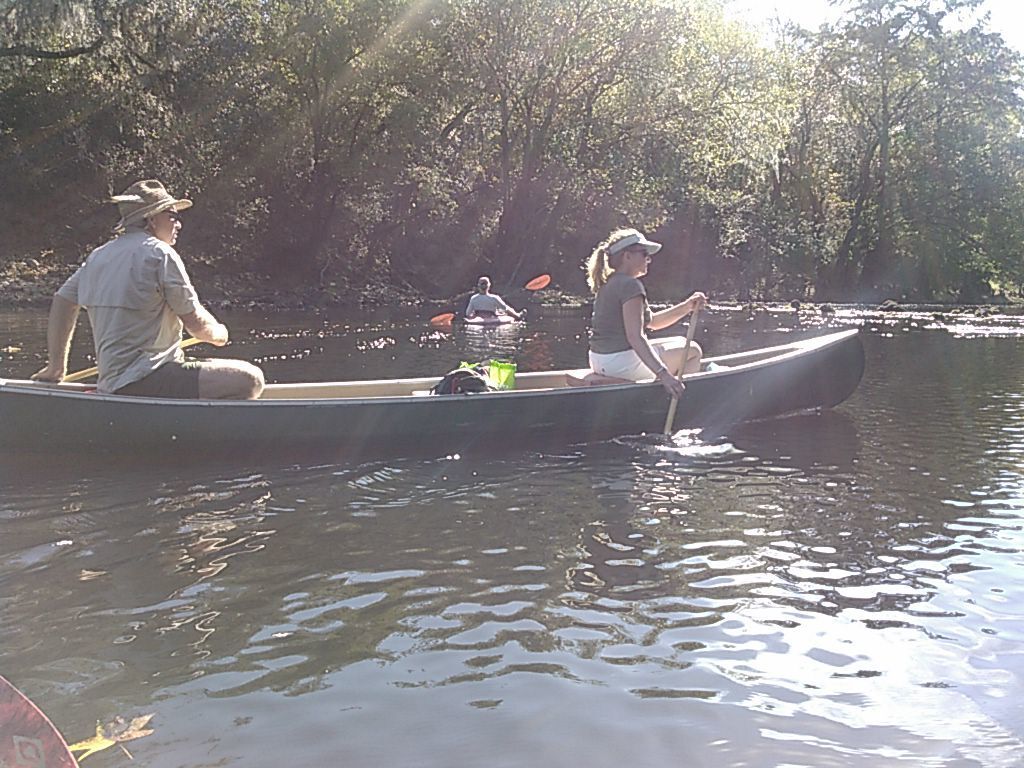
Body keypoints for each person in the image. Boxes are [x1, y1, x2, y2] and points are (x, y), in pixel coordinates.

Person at [32, 179, 264, 399]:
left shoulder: (98, 256)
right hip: (148, 379)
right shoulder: (160, 254)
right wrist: (219, 333)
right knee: (250, 379)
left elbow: (63, 301)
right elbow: (197, 326)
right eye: (172, 215)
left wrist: (56, 367)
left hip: (114, 382)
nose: (178, 224)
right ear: (151, 219)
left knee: (214, 368)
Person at [583, 228, 707, 397]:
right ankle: (676, 399)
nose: (648, 259)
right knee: (693, 350)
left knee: (680, 340)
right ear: (627, 256)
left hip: (599, 360)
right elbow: (635, 336)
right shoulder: (630, 286)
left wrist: (687, 306)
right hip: (620, 363)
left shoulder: (608, 283)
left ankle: (626, 383)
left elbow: (653, 322)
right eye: (643, 253)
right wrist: (663, 374)